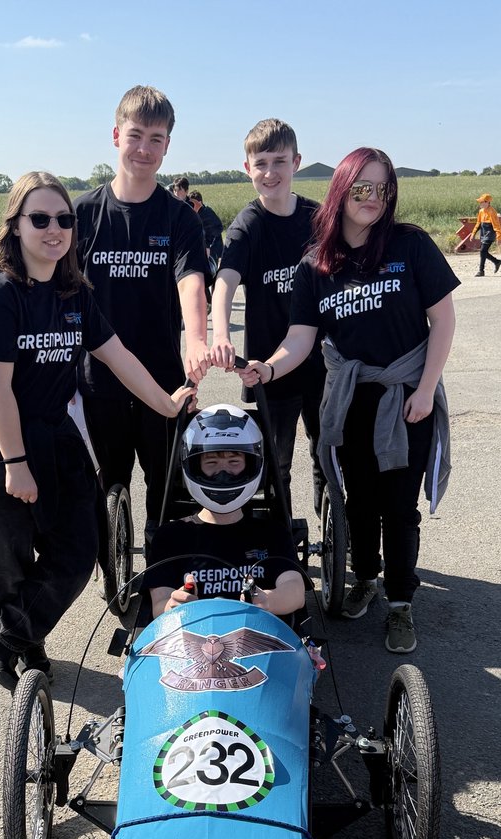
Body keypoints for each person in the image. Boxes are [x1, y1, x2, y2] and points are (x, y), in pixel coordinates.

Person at [0, 171, 195, 692]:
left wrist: (167, 405)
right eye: (39, 219)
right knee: (9, 554)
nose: (53, 229)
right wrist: (15, 465)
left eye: (63, 219)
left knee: (79, 548)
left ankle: (9, 632)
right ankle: (23, 647)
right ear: (15, 225)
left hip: (53, 429)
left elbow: (117, 354)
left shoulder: (74, 292)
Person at [238, 147, 460, 654]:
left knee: (400, 507)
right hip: (350, 400)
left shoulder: (411, 245)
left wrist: (425, 390)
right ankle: (365, 579)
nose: (374, 200)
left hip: (407, 397)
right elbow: (300, 339)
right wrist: (269, 367)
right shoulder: (316, 266)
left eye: (383, 189)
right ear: (341, 192)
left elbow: (443, 320)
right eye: (362, 189)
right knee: (357, 500)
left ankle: (401, 603)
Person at [75, 86, 210, 549]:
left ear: (168, 145)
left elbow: (191, 279)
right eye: (136, 135)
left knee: (168, 491)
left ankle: (163, 565)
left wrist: (196, 339)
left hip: (163, 382)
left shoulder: (179, 218)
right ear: (116, 135)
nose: (145, 149)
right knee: (107, 484)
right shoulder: (83, 214)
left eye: (156, 138)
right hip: (98, 382)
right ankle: (113, 564)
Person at [211, 118, 325, 515]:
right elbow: (225, 280)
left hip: (323, 361)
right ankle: (284, 546)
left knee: (328, 457)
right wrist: (220, 333)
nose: (270, 172)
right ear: (247, 169)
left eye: (279, 161)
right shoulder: (248, 224)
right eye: (260, 163)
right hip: (267, 365)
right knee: (277, 465)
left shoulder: (318, 218)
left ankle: (335, 537)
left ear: (296, 162)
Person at [145, 404, 305, 619]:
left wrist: (267, 601)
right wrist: (173, 605)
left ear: (251, 465)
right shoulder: (171, 536)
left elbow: (295, 590)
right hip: (193, 642)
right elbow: (159, 604)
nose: (223, 474)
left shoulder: (271, 533)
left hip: (260, 641)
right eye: (211, 462)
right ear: (193, 466)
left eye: (234, 462)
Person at [188, 190, 223, 268]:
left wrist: (208, 242)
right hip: (201, 247)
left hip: (213, 247)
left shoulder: (207, 213)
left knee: (211, 270)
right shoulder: (193, 214)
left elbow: (219, 227)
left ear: (200, 202)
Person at [471, 193, 501, 276]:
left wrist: (499, 237)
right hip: (483, 234)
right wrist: (473, 233)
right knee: (483, 252)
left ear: (487, 202)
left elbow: (496, 225)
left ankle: (481, 271)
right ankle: (497, 262)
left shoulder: (492, 212)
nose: (480, 204)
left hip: (490, 234)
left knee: (482, 251)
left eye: (481, 202)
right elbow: (478, 224)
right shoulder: (481, 211)